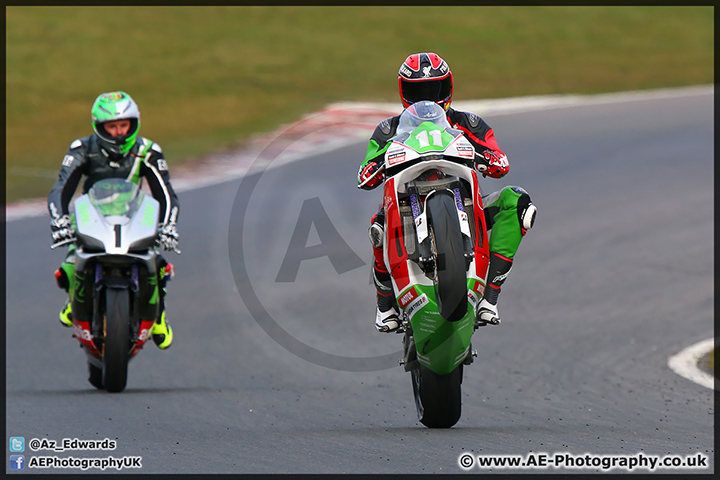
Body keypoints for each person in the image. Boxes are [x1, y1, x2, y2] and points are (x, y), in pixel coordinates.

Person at [357, 52, 537, 332]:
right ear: (404, 92)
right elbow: (366, 170)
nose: (426, 98)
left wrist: (490, 158)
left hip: (466, 200)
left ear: (448, 88)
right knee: (377, 225)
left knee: (518, 202)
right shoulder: (387, 129)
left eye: (434, 89)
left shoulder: (470, 123)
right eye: (417, 91)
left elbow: (499, 158)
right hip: (405, 200)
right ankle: (385, 306)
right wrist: (374, 167)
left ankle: (490, 298)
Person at [48, 91, 179, 349]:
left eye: (124, 125)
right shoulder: (82, 148)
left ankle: (158, 314)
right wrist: (59, 222)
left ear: (133, 124)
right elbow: (60, 189)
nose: (119, 132)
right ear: (100, 126)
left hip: (134, 214)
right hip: (91, 215)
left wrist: (168, 225)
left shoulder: (148, 151)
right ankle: (73, 301)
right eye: (112, 126)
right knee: (69, 264)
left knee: (159, 262)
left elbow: (165, 193)